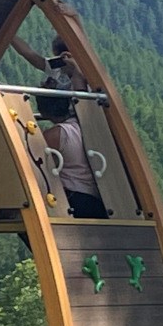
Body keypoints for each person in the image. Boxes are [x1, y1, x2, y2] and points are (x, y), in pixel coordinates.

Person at [35, 75, 107, 219]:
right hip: (98, 200)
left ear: (44, 112)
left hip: (73, 200)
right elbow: (81, 87)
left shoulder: (56, 135)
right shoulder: (84, 124)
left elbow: (37, 165)